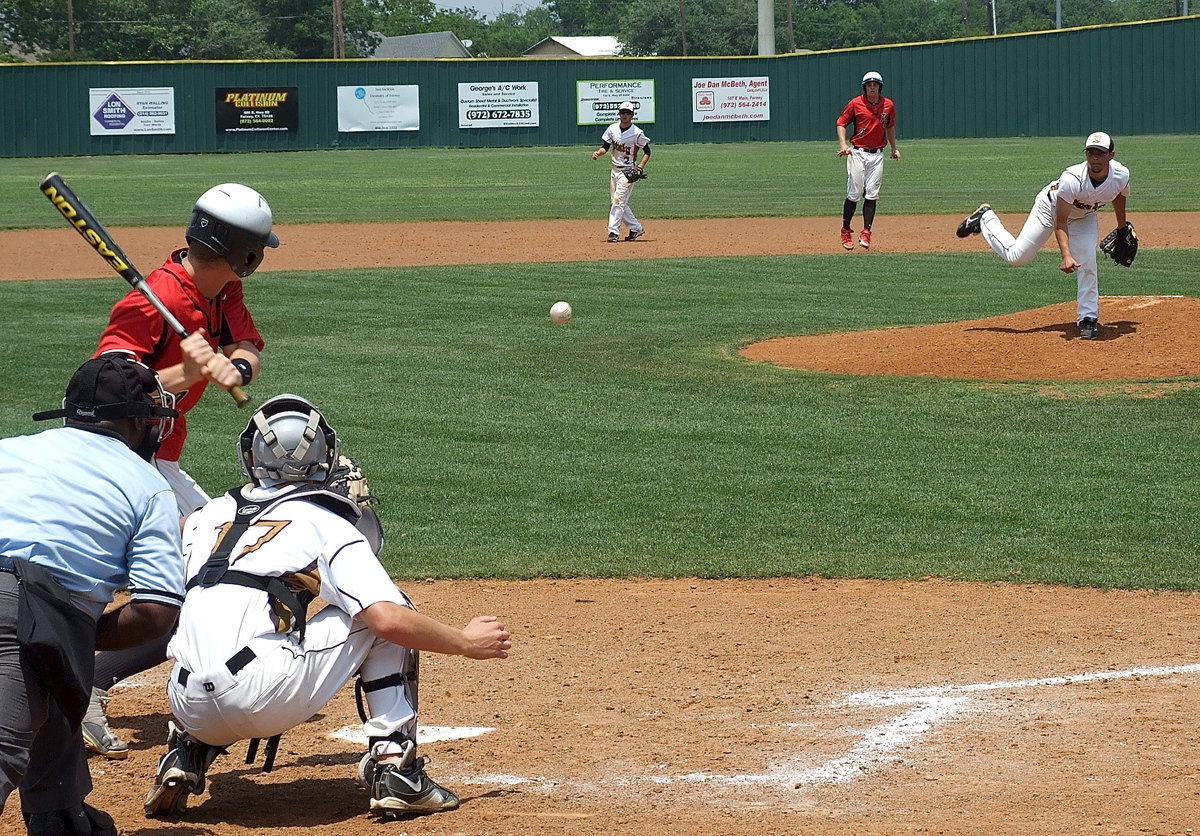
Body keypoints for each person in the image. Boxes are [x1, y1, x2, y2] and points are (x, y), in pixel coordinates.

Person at [143, 394, 511, 821]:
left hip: (186, 701)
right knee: (388, 610)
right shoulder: (327, 522)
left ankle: (186, 751)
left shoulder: (202, 517)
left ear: (250, 456)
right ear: (327, 456)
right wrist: (465, 642)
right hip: (261, 696)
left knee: (214, 619)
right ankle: (398, 771)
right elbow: (387, 620)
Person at [83, 182, 278, 760]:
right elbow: (101, 393)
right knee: (202, 576)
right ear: (243, 248)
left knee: (209, 566)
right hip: (118, 459)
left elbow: (246, 339)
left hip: (160, 457)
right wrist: (182, 374)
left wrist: (237, 365)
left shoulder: (224, 289)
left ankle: (95, 676)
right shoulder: (151, 300)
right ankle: (88, 680)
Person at [0, 356, 183, 835]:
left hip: (22, 606)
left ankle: (60, 815)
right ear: (138, 422)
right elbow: (156, 612)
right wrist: (77, 631)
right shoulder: (148, 487)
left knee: (58, 672)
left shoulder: (9, 450)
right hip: (18, 610)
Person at [955, 131, 1131, 340]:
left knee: (1087, 260)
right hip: (1050, 210)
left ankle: (1088, 318)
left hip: (1084, 216)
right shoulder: (1073, 179)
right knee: (1018, 257)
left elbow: (1118, 194)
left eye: (1100, 153)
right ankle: (986, 218)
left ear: (1111, 155)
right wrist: (1066, 254)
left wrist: (1122, 227)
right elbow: (1061, 220)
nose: (1094, 159)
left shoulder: (1121, 175)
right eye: (1090, 153)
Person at [836, 71, 899, 250]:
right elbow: (841, 122)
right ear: (865, 87)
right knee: (854, 193)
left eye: (875, 84)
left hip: (877, 154)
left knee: (872, 194)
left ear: (880, 87)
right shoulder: (856, 103)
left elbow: (890, 126)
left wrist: (894, 148)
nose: (872, 87)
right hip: (858, 153)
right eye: (869, 84)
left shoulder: (888, 105)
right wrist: (843, 144)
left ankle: (866, 233)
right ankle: (846, 230)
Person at [592, 101, 651, 243]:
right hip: (614, 170)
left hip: (628, 172)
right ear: (619, 114)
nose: (624, 115)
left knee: (618, 202)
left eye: (627, 113)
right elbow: (605, 147)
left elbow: (647, 151)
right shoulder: (612, 129)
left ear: (632, 115)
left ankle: (613, 232)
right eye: (622, 112)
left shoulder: (637, 133)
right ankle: (636, 228)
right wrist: (599, 153)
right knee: (618, 202)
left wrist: (640, 167)